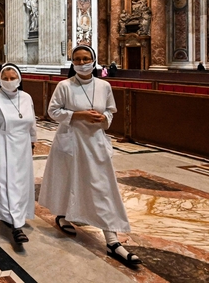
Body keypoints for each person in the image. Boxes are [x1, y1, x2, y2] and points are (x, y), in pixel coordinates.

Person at [39, 45, 141, 266]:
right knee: (69, 181)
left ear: (94, 60)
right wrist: (78, 115)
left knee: (102, 187)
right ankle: (64, 215)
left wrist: (104, 119)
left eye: (86, 58)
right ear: (72, 63)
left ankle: (112, 239)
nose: (82, 63)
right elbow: (52, 111)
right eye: (77, 59)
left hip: (95, 143)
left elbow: (110, 112)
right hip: (71, 141)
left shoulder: (104, 85)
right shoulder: (64, 86)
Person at [0, 63, 37, 244]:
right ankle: (14, 222)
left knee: (21, 181)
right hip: (0, 143)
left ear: (19, 79)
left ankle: (18, 214)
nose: (9, 81)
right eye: (5, 78)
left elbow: (31, 121)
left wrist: (33, 140)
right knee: (3, 181)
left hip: (22, 145)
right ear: (0, 80)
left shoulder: (26, 97)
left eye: (13, 78)